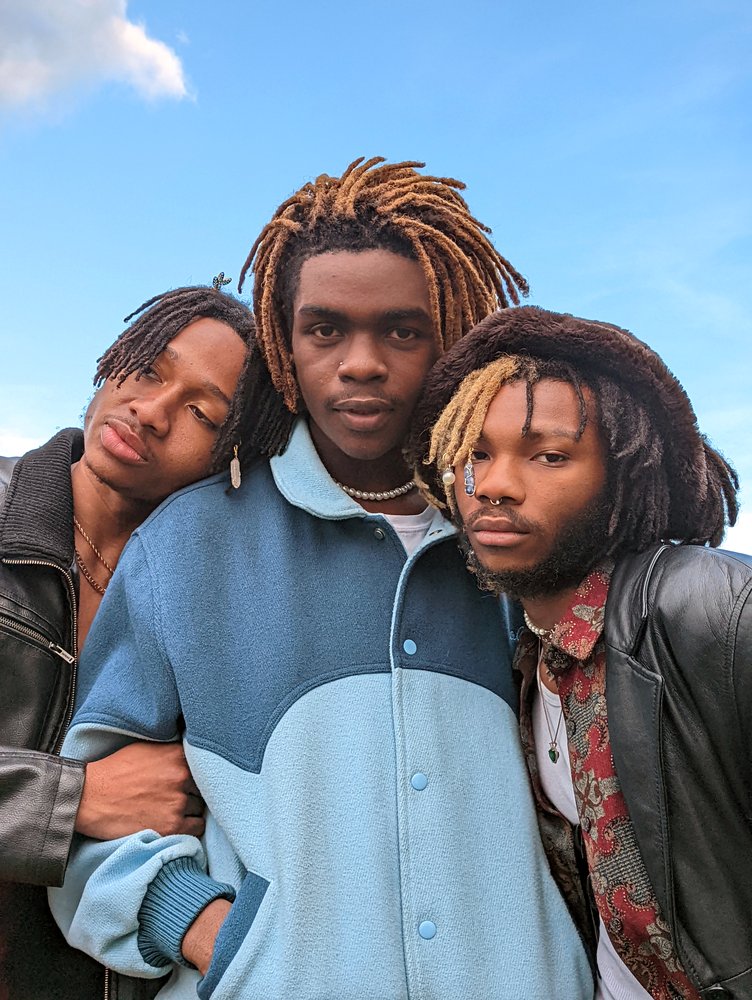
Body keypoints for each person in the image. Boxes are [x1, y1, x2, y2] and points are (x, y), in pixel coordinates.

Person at [50, 159, 593, 999]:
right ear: (282, 342)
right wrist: (216, 936)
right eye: (325, 329)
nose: (362, 363)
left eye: (403, 331)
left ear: (449, 333)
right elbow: (94, 822)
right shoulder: (186, 545)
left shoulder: (530, 549)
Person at [408, 305, 749, 1000]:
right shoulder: (533, 655)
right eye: (477, 452)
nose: (495, 484)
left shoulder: (709, 608)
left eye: (549, 455)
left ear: (621, 476)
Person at [0, 281, 291, 1000]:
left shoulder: (217, 601)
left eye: (200, 411)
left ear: (232, 455)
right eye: (149, 369)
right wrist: (68, 800)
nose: (151, 412)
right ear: (112, 362)